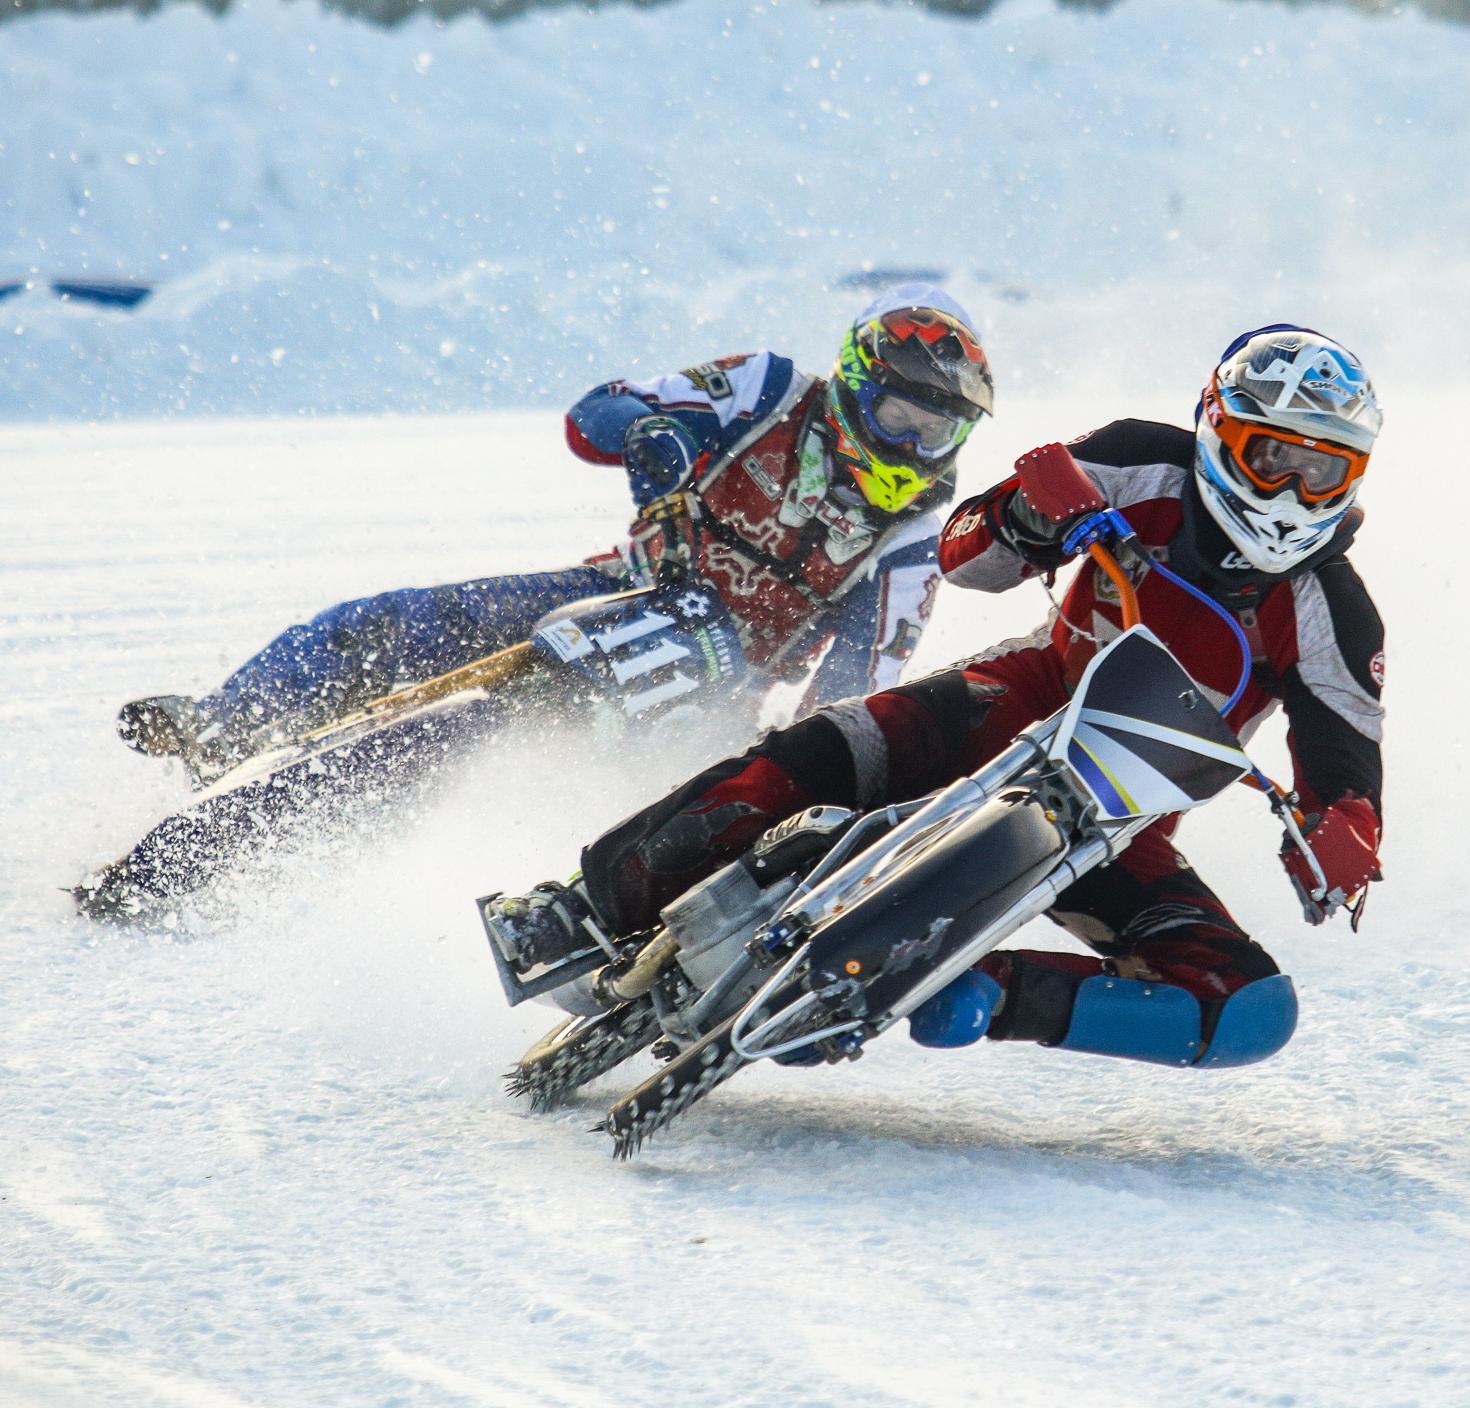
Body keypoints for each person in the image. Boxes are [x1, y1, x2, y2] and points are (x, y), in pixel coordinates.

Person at [485, 325, 1387, 1072]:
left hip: (1120, 820)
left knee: (1248, 1010)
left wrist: (1344, 832)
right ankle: (581, 906)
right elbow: (967, 557)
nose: (1295, 493)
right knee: (808, 758)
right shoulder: (1139, 461)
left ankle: (967, 982)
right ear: (1221, 431)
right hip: (1013, 701)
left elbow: (1346, 765)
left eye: (1325, 472)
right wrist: (1025, 516)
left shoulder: (1336, 615)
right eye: (1274, 458)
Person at [116, 284, 994, 783]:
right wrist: (657, 437)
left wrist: (784, 779)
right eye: (902, 414)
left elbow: (853, 690)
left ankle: (357, 831)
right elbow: (594, 415)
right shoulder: (767, 387)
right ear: (852, 379)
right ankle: (223, 725)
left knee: (499, 750)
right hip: (617, 585)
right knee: (391, 623)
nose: (917, 446)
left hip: (713, 690)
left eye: (940, 430)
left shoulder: (917, 535)